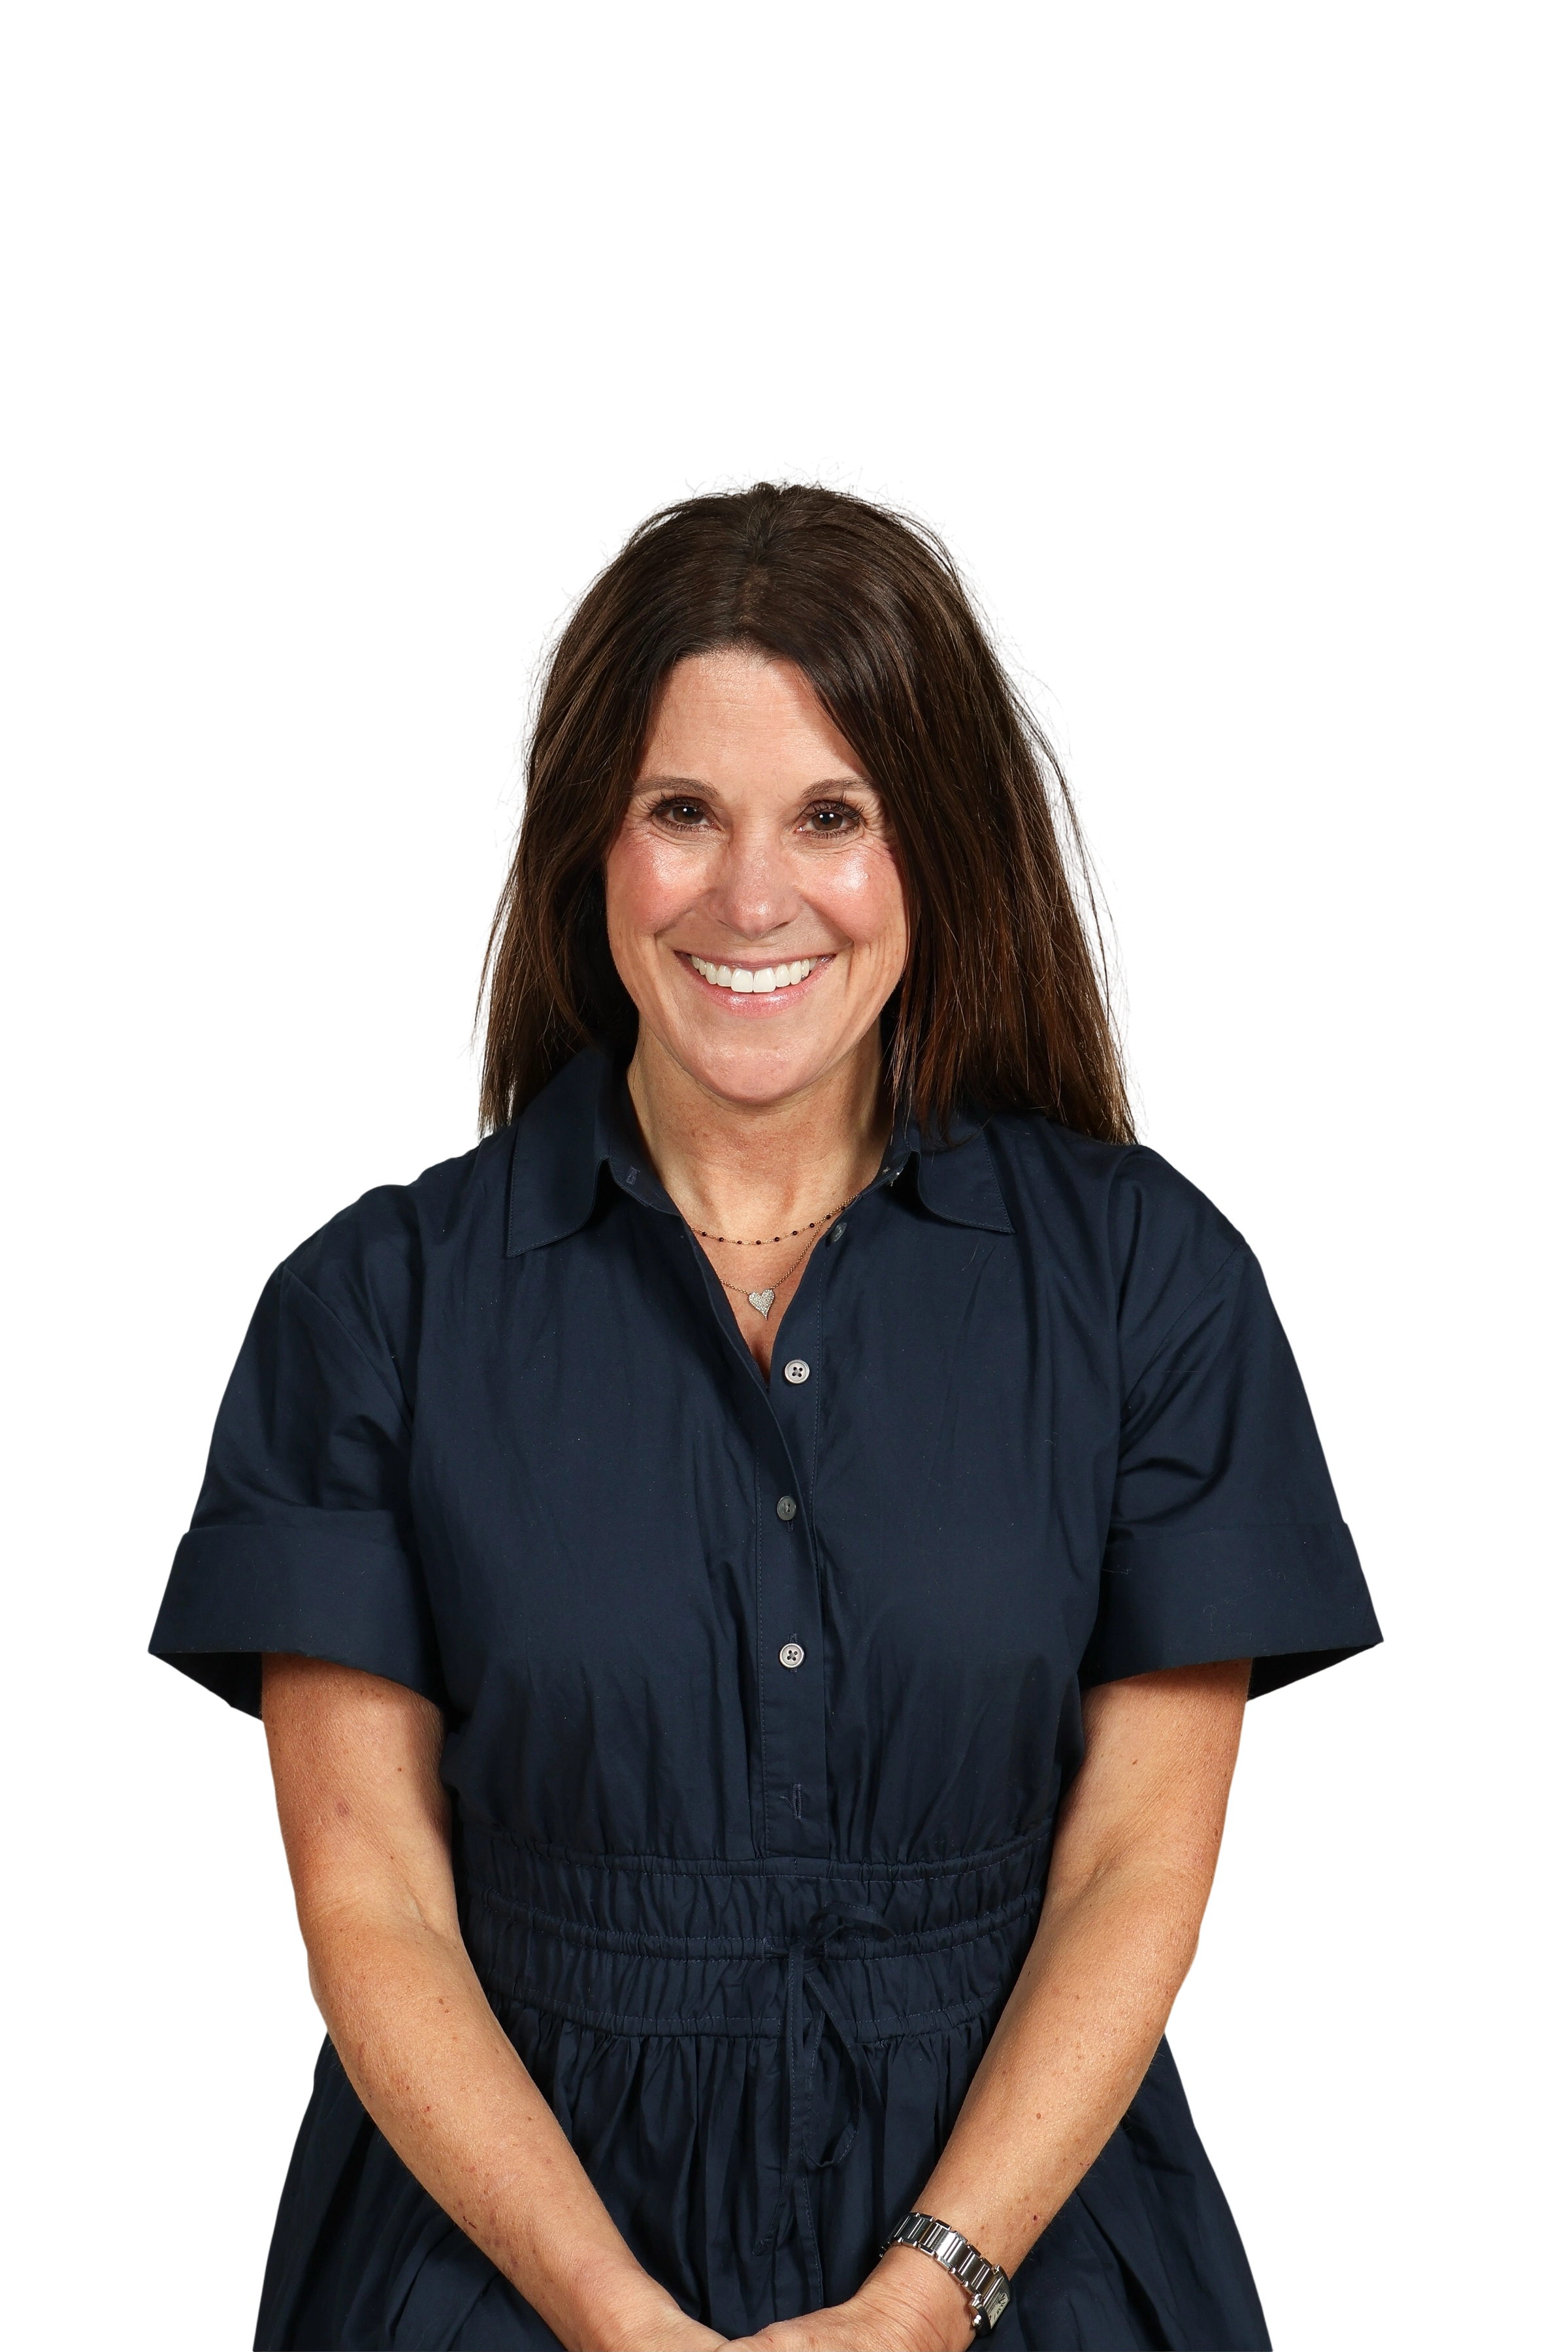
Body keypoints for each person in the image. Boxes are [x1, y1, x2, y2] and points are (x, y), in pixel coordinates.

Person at [148, 460, 1382, 2351]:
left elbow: (1137, 1865)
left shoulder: (1149, 1280)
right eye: (682, 813)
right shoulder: (372, 1309)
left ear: (937, 847)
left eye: (833, 815)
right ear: (591, 844)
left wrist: (932, 2291)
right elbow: (373, 1902)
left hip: (1028, 2246)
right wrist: (608, 2314)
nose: (752, 895)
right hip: (496, 2265)